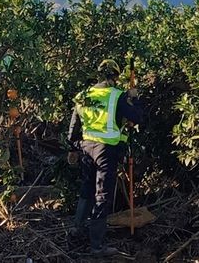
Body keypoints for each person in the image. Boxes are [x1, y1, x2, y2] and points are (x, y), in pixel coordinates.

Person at [66, 58, 145, 257]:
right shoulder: (117, 96)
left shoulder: (83, 95)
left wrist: (74, 148)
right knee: (102, 196)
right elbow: (137, 117)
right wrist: (135, 98)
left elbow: (73, 130)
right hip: (106, 151)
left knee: (87, 189)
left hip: (87, 149)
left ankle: (76, 230)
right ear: (114, 77)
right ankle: (97, 246)